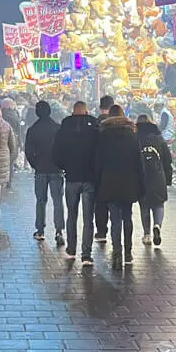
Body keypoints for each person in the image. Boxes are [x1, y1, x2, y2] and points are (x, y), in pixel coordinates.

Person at [95, 104, 144, 271]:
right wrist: (141, 183)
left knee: (114, 218)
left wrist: (98, 181)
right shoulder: (132, 135)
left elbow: (99, 161)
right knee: (127, 217)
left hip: (109, 181)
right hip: (129, 181)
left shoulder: (103, 135)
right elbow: (139, 162)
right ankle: (128, 252)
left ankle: (116, 252)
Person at [52, 99, 100, 265]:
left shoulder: (64, 128)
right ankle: (86, 254)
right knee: (88, 218)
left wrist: (65, 167)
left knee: (71, 214)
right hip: (89, 178)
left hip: (71, 177)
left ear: (72, 112)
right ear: (86, 112)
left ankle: (71, 249)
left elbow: (56, 153)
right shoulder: (95, 129)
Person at [25, 99, 64, 245]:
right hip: (56, 169)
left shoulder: (33, 129)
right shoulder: (58, 128)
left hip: (40, 170)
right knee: (58, 201)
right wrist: (61, 164)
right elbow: (63, 149)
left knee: (41, 201)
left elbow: (28, 151)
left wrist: (35, 164)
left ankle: (40, 230)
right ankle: (59, 231)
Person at [135, 114, 172, 247]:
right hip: (158, 176)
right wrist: (168, 178)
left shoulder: (135, 138)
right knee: (159, 204)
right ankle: (157, 225)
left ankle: (147, 234)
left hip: (141, 177)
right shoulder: (159, 139)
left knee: (144, 206)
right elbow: (167, 160)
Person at [94, 95, 116, 243]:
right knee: (114, 202)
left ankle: (101, 231)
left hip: (98, 169)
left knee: (100, 202)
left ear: (100, 107)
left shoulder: (95, 123)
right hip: (116, 169)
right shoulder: (118, 124)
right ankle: (116, 230)